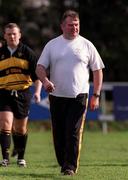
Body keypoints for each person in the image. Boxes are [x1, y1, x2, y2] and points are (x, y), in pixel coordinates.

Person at [36, 10, 105, 176]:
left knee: (73, 132)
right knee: (59, 133)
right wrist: (45, 81)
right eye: (70, 25)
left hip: (79, 96)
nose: (74, 28)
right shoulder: (52, 45)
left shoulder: (87, 45)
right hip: (56, 96)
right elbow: (40, 68)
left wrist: (95, 95)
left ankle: (70, 167)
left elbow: (97, 70)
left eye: (77, 25)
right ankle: (63, 162)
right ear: (62, 26)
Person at [0, 23, 42, 167]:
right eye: (9, 34)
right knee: (5, 123)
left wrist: (37, 92)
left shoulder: (28, 52)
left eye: (14, 33)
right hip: (4, 93)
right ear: (4, 36)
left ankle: (20, 157)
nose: (12, 36)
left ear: (19, 35)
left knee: (20, 129)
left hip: (22, 94)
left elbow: (37, 76)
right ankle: (5, 158)